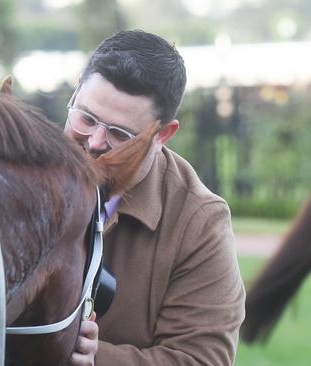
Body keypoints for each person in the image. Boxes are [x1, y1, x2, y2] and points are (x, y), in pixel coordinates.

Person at [66, 30, 246, 366]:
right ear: (77, 88)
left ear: (163, 134)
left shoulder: (199, 222)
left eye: (121, 134)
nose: (94, 141)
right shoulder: (19, 172)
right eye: (86, 118)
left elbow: (203, 358)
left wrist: (94, 358)